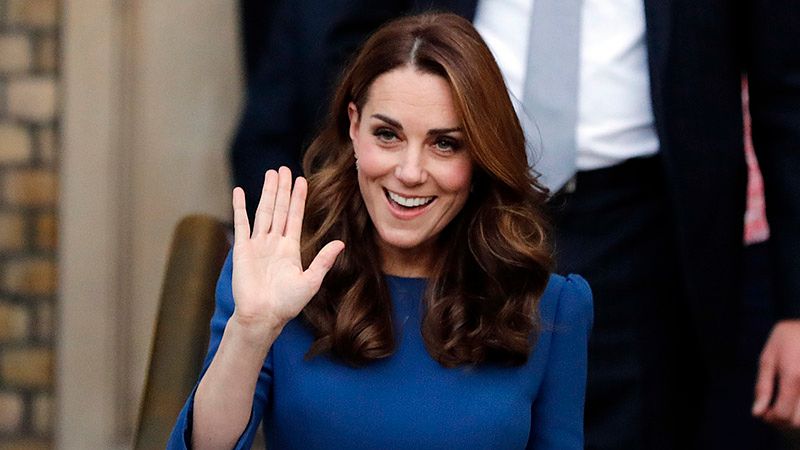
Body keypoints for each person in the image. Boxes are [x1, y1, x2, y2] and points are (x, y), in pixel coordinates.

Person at [232, 2, 800, 448]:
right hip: (443, 223)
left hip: (643, 228)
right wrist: (304, 216)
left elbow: (786, 90)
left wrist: (796, 306)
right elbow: (327, 32)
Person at [169, 13, 593, 449]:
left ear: (481, 154)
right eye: (388, 135)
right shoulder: (279, 275)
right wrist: (251, 331)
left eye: (444, 143)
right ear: (354, 127)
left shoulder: (550, 307)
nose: (409, 172)